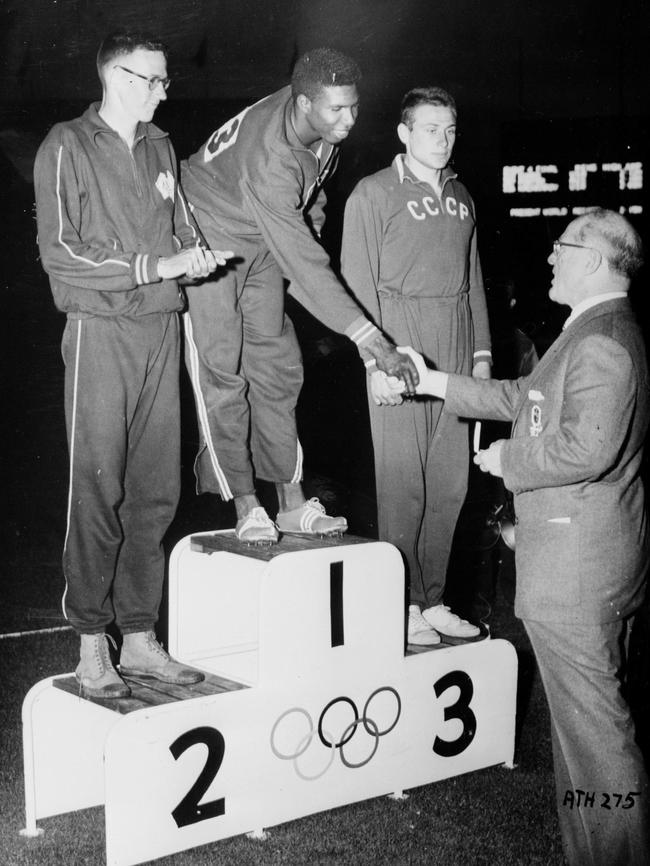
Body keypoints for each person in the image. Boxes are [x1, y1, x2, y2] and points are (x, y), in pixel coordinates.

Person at [399, 209, 650, 866]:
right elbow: (522, 395)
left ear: (593, 260)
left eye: (561, 249)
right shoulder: (593, 331)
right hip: (588, 559)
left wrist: (507, 461)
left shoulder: (601, 341)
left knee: (597, 744)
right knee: (582, 740)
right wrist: (429, 382)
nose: (549, 259)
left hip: (577, 569)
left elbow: (585, 449)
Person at [34, 30, 232, 698]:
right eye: (156, 79)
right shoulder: (66, 145)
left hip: (159, 329)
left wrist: (198, 253)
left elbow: (179, 228)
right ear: (118, 77)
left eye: (166, 80)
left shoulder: (159, 145)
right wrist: (156, 265)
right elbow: (62, 253)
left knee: (155, 491)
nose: (165, 90)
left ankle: (141, 638)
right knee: (99, 488)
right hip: (101, 333)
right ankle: (93, 642)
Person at [180, 47, 418, 546]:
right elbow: (305, 261)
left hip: (260, 233)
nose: (350, 119)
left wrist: (305, 235)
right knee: (223, 371)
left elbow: (311, 201)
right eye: (336, 109)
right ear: (303, 102)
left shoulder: (321, 130)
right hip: (206, 234)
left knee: (279, 367)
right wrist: (369, 339)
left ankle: (290, 503)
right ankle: (247, 503)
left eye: (354, 106)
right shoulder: (269, 159)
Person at [340, 87, 490, 646]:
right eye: (431, 128)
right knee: (404, 484)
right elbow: (356, 286)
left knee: (450, 483)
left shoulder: (462, 196)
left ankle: (433, 600)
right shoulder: (373, 193)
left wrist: (480, 358)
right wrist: (375, 361)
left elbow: (473, 280)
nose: (443, 139)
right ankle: (400, 604)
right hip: (399, 337)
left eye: (450, 129)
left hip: (454, 341)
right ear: (403, 132)